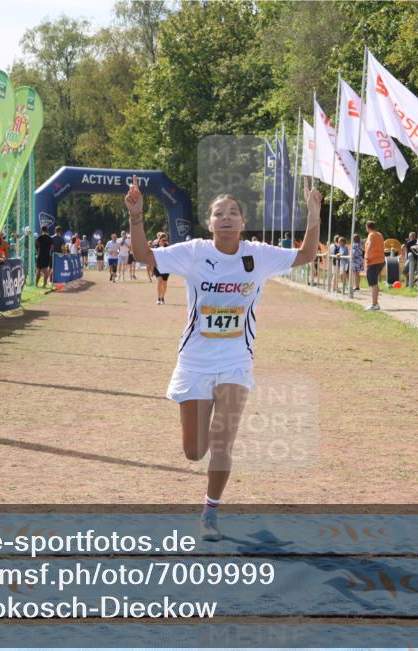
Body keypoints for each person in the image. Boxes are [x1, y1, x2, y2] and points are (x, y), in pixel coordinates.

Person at [126, 175, 322, 541]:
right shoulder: (195, 252)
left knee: (222, 441)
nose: (227, 218)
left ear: (243, 222)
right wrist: (137, 217)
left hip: (235, 361)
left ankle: (210, 514)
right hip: (195, 363)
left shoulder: (258, 255)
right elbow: (143, 256)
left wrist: (313, 216)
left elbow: (307, 255)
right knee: (194, 451)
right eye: (219, 213)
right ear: (209, 222)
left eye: (233, 213)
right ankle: (206, 491)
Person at [363, 222, 384, 310]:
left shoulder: (371, 235)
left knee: (373, 283)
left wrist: (367, 256)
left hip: (373, 261)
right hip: (380, 260)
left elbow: (370, 245)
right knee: (374, 282)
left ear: (367, 227)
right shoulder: (379, 234)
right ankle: (375, 303)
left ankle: (374, 304)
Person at [152, 232, 170, 304]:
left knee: (164, 283)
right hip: (157, 266)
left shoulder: (167, 246)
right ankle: (158, 298)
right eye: (163, 240)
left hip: (166, 267)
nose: (164, 242)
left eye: (165, 240)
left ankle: (162, 297)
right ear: (159, 240)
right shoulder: (155, 246)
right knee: (160, 281)